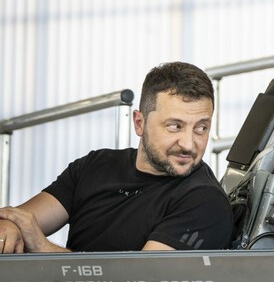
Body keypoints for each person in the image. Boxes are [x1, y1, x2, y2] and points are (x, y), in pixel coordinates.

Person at [0, 62, 234, 253]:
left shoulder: (205, 202)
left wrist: (42, 247)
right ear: (139, 123)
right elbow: (21, 219)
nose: (188, 144)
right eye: (175, 126)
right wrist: (10, 227)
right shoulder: (95, 166)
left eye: (201, 128)